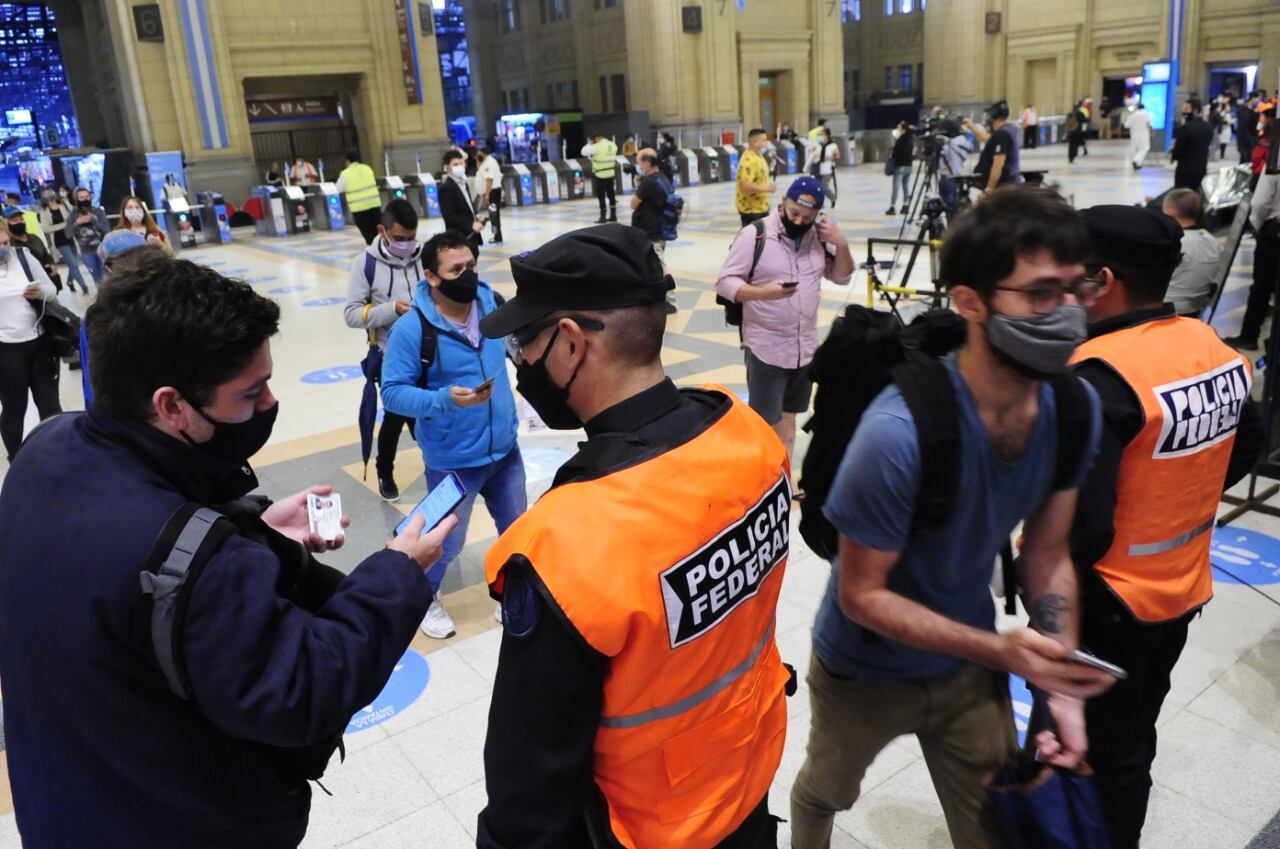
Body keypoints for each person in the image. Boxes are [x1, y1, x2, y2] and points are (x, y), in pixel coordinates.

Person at [0, 257, 457, 849]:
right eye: (250, 392)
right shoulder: (201, 565)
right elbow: (306, 688)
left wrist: (245, 526)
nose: (268, 404)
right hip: (181, 824)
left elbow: (119, 558)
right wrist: (399, 571)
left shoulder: (45, 449)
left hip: (63, 804)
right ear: (171, 406)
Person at [789, 186, 1114, 849]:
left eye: (1076, 290)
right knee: (827, 789)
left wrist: (1062, 687)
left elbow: (1048, 555)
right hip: (862, 668)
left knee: (995, 831)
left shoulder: (1075, 410)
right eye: (1042, 294)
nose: (1068, 313)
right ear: (971, 301)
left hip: (966, 668)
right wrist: (1000, 647)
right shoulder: (897, 434)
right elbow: (861, 594)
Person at [476, 223, 792, 849]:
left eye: (524, 343)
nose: (521, 363)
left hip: (650, 826)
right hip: (748, 777)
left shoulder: (567, 540)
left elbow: (530, 779)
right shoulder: (749, 434)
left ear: (569, 343)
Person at [1070, 205, 1264, 849]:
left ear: (1103, 278)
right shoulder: (1214, 349)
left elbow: (1084, 529)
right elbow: (1249, 445)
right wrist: (1181, 497)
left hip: (1108, 605)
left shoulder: (1100, 376)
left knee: (1084, 747)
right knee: (1132, 737)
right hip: (1182, 590)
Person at [381, 229, 523, 638]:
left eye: (472, 265)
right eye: (456, 269)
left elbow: (514, 346)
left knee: (516, 531)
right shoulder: (413, 329)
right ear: (431, 276)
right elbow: (391, 394)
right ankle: (424, 600)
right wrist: (444, 400)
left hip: (505, 450)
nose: (468, 275)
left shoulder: (491, 302)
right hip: (452, 458)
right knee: (442, 543)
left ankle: (512, 593)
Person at [716, 177, 854, 479]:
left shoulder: (819, 238)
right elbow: (725, 282)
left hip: (804, 349)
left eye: (807, 217)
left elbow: (842, 276)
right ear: (784, 203)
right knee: (765, 422)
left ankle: (784, 478)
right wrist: (764, 293)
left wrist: (841, 243)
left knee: (790, 416)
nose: (799, 220)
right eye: (794, 212)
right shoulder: (755, 235)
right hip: (766, 348)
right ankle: (763, 481)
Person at [343, 199, 427, 501]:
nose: (406, 245)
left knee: (429, 411)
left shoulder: (425, 256)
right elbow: (352, 314)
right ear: (382, 231)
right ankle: (384, 469)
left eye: (411, 238)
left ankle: (436, 462)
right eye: (399, 238)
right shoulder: (365, 264)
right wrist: (391, 310)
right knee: (395, 416)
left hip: (428, 352)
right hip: (390, 355)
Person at [0, 219, 61, 460]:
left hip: (39, 340)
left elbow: (52, 290)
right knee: (15, 407)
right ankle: (16, 459)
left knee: (50, 405)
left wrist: (41, 291)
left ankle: (59, 454)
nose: (3, 248)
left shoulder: (23, 256)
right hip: (6, 349)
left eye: (4, 242)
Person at [1223, 166, 1280, 349]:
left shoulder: (1276, 157)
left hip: (1274, 232)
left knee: (1262, 286)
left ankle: (1249, 336)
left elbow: (1261, 201)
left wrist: (1257, 224)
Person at [1160, 189, 1222, 316]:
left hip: (1167, 311)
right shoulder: (1212, 241)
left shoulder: (1173, 242)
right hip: (1197, 309)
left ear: (1171, 213)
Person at [37, 186, 91, 294]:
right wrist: (64, 225)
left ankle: (70, 281)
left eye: (50, 192)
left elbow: (73, 215)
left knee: (73, 263)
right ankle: (84, 287)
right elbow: (46, 228)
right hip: (59, 241)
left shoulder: (64, 204)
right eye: (46, 193)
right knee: (73, 264)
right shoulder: (44, 211)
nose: (49, 195)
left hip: (71, 237)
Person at [965, 99, 1023, 192]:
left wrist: (989, 190)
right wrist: (972, 127)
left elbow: (997, 165)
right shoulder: (1009, 129)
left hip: (1003, 188)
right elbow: (990, 140)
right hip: (1009, 185)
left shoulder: (1001, 134)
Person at [439, 149, 485, 254]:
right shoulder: (447, 188)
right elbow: (449, 216)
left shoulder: (463, 182)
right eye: (455, 164)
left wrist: (476, 216)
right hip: (459, 238)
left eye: (461, 163)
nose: (460, 166)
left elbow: (468, 204)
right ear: (447, 167)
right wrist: (470, 225)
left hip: (472, 236)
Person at [629, 147, 671, 262]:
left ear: (647, 163)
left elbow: (633, 204)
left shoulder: (648, 182)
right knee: (656, 262)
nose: (639, 167)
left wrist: (640, 185)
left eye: (640, 163)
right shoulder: (663, 177)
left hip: (650, 231)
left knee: (657, 264)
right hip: (661, 228)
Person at [336, 150, 382, 244]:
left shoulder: (346, 173)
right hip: (375, 204)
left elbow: (338, 189)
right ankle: (383, 249)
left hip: (359, 208)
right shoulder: (367, 168)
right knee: (379, 230)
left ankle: (374, 252)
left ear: (347, 161)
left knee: (368, 233)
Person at [5, 204, 58, 285]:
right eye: (14, 220)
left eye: (21, 219)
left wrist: (52, 265)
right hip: (27, 284)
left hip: (46, 280)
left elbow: (46, 255)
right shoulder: (8, 245)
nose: (19, 222)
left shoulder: (34, 238)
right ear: (6, 223)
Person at [68, 186, 110, 284]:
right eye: (81, 197)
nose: (85, 199)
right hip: (86, 251)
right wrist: (77, 223)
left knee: (107, 277)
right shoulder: (73, 215)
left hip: (102, 249)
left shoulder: (98, 211)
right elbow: (69, 234)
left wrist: (94, 221)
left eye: (87, 196)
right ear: (76, 199)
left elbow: (107, 229)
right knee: (97, 278)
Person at [1171, 98, 1213, 192]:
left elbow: (1179, 148)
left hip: (1185, 169)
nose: (1185, 111)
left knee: (1182, 196)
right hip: (1201, 167)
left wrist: (1174, 155)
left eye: (1187, 109)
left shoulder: (1185, 128)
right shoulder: (1208, 127)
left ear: (1195, 110)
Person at [735, 128, 776, 226]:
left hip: (761, 207)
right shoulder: (748, 160)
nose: (766, 143)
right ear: (754, 142)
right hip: (751, 210)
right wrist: (767, 188)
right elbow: (745, 186)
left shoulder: (758, 155)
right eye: (764, 140)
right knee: (753, 239)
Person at [582, 133, 619, 224]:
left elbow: (583, 152)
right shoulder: (613, 145)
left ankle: (603, 216)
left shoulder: (596, 146)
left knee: (601, 195)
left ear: (597, 138)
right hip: (611, 173)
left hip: (600, 174)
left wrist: (590, 143)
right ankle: (613, 215)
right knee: (611, 194)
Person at [474, 147, 505, 245]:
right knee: (493, 215)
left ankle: (497, 236)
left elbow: (489, 180)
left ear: (483, 153)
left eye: (479, 153)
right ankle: (496, 235)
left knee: (493, 215)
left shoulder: (490, 163)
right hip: (491, 191)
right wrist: (478, 161)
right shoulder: (486, 162)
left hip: (493, 192)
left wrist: (487, 194)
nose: (477, 155)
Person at [887, 121, 914, 215]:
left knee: (896, 186)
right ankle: (905, 206)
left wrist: (893, 151)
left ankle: (892, 206)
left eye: (899, 128)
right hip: (909, 165)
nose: (897, 130)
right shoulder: (910, 139)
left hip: (900, 166)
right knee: (906, 186)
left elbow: (897, 153)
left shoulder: (901, 140)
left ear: (903, 129)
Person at [812, 128, 841, 208]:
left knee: (824, 187)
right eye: (819, 135)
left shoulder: (833, 145)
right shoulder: (818, 145)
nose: (820, 136)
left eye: (822, 134)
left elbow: (838, 156)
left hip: (827, 170)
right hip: (817, 169)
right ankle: (820, 203)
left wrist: (830, 157)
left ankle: (833, 198)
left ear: (827, 135)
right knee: (817, 188)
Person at [1125, 103, 1153, 171]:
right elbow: (1150, 125)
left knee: (1135, 149)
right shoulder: (1147, 114)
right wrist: (1152, 133)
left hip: (1134, 135)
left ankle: (1137, 164)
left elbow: (1126, 125)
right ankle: (1136, 160)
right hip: (1144, 135)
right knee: (1144, 148)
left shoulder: (1133, 115)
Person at [1237, 92, 1261, 165]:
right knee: (1245, 163)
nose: (1259, 101)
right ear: (1253, 98)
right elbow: (1242, 128)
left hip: (1251, 141)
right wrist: (1240, 144)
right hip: (1246, 142)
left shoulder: (1252, 111)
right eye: (1258, 98)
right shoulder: (1244, 110)